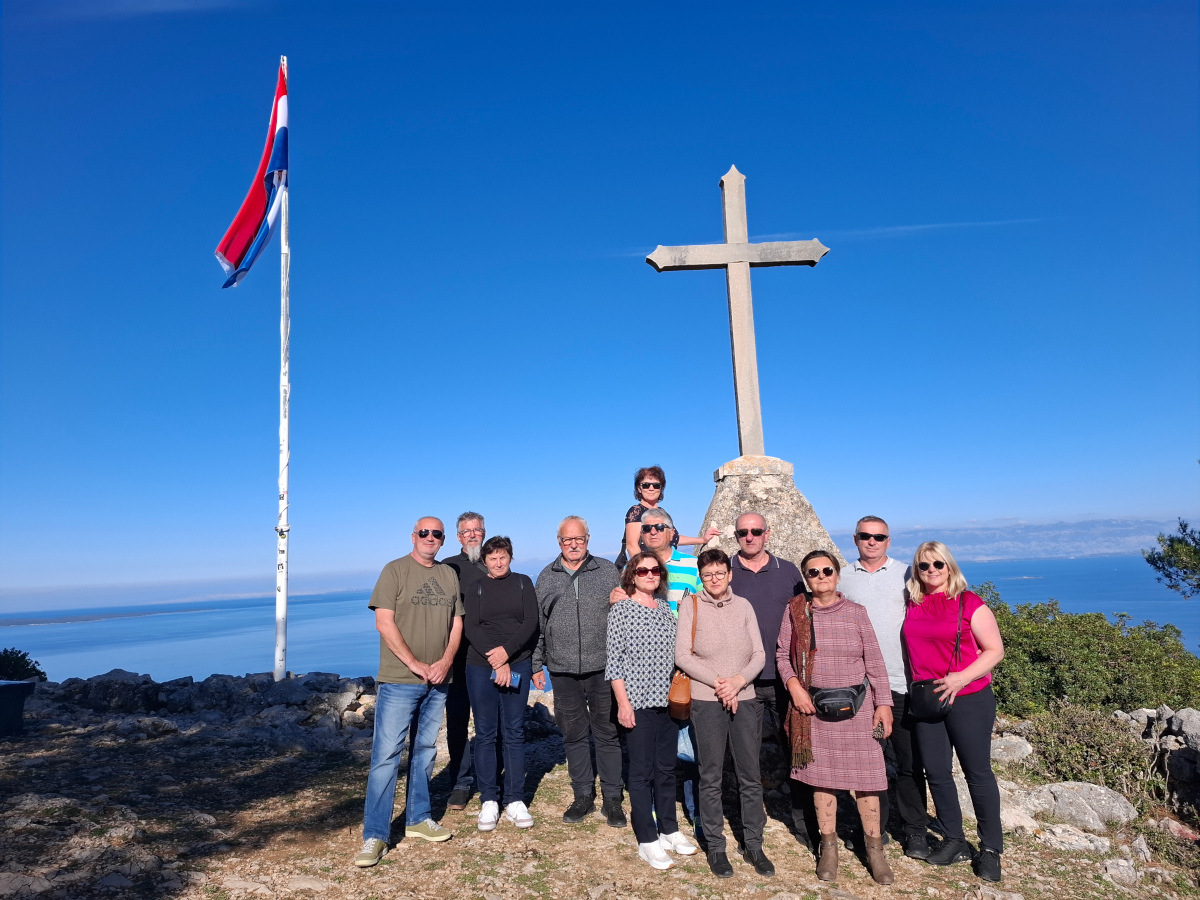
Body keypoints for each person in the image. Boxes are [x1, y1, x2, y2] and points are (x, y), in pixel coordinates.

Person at [776, 550, 895, 885]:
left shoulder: (857, 613)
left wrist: (883, 704)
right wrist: (794, 687)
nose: (821, 576)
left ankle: (875, 850)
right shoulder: (796, 612)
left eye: (827, 570)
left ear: (837, 575)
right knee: (822, 779)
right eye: (813, 572)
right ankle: (828, 848)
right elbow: (782, 655)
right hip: (814, 709)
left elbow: (875, 661)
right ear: (806, 578)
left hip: (859, 710)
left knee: (868, 781)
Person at [355, 517, 463, 868]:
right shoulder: (395, 570)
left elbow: (456, 622)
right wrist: (416, 664)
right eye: (424, 532)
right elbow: (383, 622)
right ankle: (376, 835)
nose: (430, 538)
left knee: (425, 751)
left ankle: (418, 818)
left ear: (443, 540)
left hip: (438, 680)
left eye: (437, 534)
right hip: (400, 679)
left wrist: (445, 662)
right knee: (386, 757)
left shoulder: (448, 574)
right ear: (413, 536)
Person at [903, 541, 1006, 883]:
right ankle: (954, 840)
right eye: (924, 565)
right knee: (936, 772)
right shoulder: (913, 604)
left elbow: (995, 650)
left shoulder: (969, 602)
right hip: (927, 699)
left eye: (938, 564)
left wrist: (960, 678)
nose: (931, 570)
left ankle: (990, 849)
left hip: (968, 698)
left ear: (950, 567)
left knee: (977, 773)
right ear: (916, 570)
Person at [675, 548, 773, 879]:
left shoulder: (744, 606)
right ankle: (716, 846)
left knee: (750, 774)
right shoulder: (691, 606)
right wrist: (720, 683)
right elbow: (683, 656)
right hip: (706, 700)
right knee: (710, 775)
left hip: (745, 698)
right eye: (707, 575)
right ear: (700, 578)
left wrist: (738, 682)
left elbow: (759, 654)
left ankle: (754, 844)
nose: (714, 579)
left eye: (719, 573)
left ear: (730, 574)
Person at [838, 516, 930, 858]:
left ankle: (915, 830)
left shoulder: (908, 574)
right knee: (868, 762)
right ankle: (872, 828)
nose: (872, 541)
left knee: (909, 763)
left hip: (902, 683)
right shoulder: (842, 576)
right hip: (861, 688)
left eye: (879, 537)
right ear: (855, 539)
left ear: (888, 541)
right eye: (865, 536)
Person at [610, 508, 703, 834]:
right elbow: (616, 652)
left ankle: (688, 817)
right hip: (642, 685)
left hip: (679, 676)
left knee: (682, 752)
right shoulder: (629, 577)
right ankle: (648, 823)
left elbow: (703, 607)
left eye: (659, 526)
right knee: (647, 760)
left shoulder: (690, 567)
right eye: (647, 527)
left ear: (672, 532)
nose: (653, 531)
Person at [531, 516, 626, 827]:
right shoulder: (546, 576)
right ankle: (583, 795)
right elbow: (538, 626)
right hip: (562, 669)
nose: (573, 545)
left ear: (588, 539)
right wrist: (536, 665)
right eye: (567, 540)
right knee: (573, 735)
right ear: (559, 542)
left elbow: (623, 615)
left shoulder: (607, 571)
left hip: (604, 667)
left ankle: (612, 798)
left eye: (579, 539)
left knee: (607, 733)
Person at [725, 512, 812, 844]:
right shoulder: (725, 571)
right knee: (746, 756)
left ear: (767, 533)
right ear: (736, 536)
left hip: (784, 681)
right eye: (743, 532)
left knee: (797, 752)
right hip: (742, 681)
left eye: (756, 531)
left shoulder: (787, 571)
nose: (749, 537)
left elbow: (806, 619)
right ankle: (751, 829)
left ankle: (805, 824)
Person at [463, 535, 540, 832]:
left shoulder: (523, 583)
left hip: (517, 662)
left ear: (510, 557)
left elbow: (530, 622)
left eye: (502, 557)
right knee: (485, 733)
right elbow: (471, 627)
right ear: (484, 561)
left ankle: (515, 798)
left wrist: (507, 653)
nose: (498, 562)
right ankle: (489, 800)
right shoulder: (476, 587)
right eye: (492, 558)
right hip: (480, 665)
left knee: (514, 731)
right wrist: (497, 660)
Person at [438, 511, 488, 811]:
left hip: (487, 659)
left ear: (484, 533)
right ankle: (460, 781)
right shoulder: (447, 567)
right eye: (466, 531)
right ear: (458, 537)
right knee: (457, 721)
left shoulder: (495, 562)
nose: (472, 535)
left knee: (487, 722)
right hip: (456, 657)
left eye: (477, 530)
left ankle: (490, 777)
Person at [617, 466, 719, 567]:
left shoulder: (662, 512)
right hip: (646, 569)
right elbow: (632, 546)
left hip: (663, 566)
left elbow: (673, 538)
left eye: (656, 485)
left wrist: (702, 540)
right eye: (646, 485)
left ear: (661, 489)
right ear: (639, 489)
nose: (651, 488)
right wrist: (645, 569)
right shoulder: (636, 511)